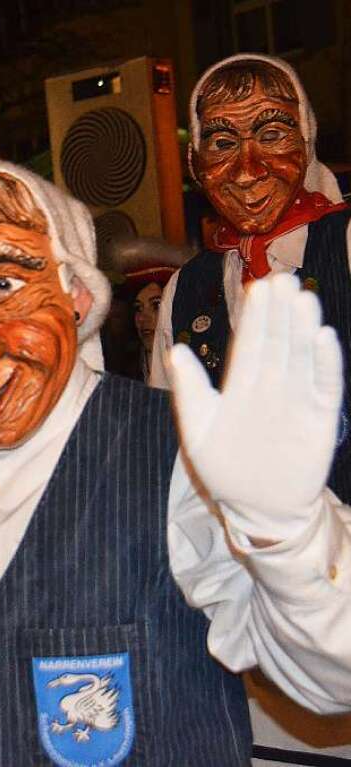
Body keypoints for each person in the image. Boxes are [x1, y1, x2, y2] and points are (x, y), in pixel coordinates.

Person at [0, 160, 351, 766]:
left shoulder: (181, 456)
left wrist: (288, 537)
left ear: (78, 297)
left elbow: (332, 678)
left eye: (1, 285)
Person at [149, 54, 350, 501]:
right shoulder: (187, 289)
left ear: (307, 140)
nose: (247, 169)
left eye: (272, 135)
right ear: (195, 162)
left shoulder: (345, 248)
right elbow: (168, 451)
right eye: (222, 143)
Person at [104, 238, 190, 382]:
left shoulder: (191, 369)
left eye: (156, 306)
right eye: (138, 308)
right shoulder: (123, 374)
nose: (143, 318)